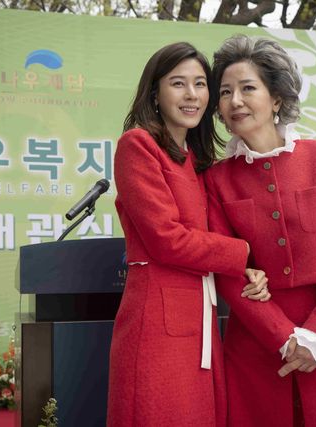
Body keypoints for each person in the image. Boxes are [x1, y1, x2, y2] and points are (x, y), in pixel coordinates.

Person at [205, 35, 316, 427]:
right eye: (225, 92)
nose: (235, 101)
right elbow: (229, 271)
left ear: (277, 98)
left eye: (248, 88)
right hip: (257, 349)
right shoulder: (216, 179)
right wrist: (284, 338)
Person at [107, 42, 270, 427]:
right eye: (178, 83)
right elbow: (166, 238)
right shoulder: (138, 146)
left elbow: (208, 236)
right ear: (155, 92)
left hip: (200, 317)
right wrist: (242, 253)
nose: (192, 94)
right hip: (156, 321)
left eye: (200, 84)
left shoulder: (199, 162)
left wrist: (248, 270)